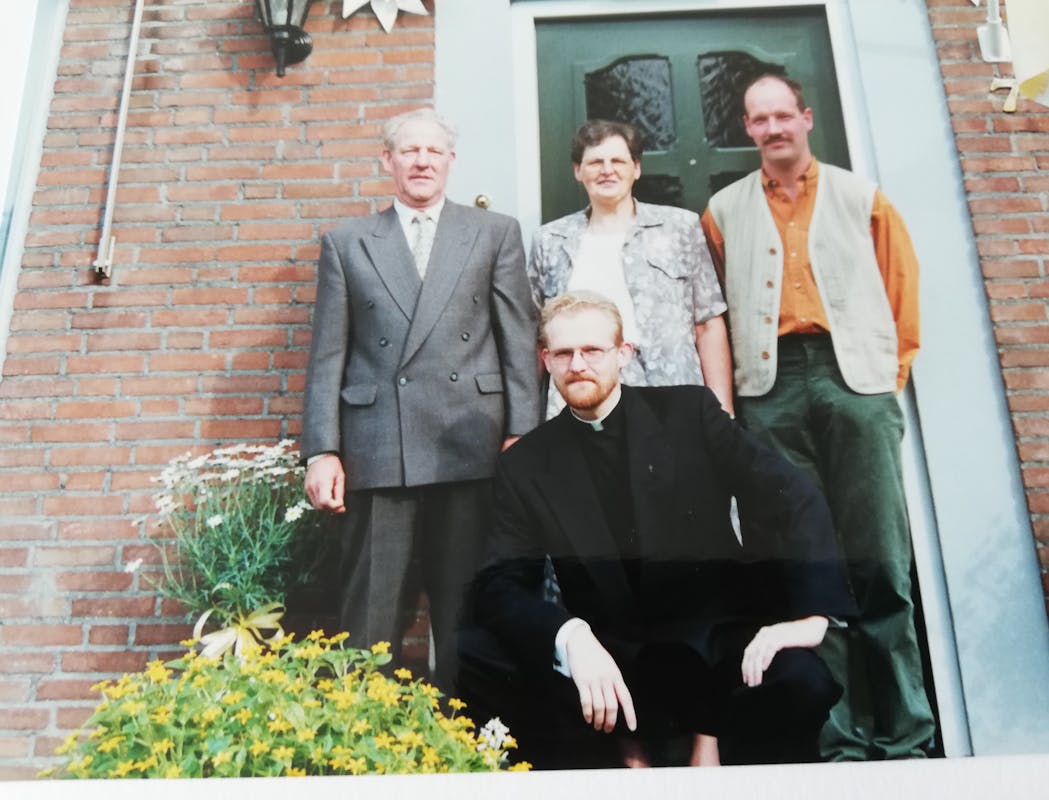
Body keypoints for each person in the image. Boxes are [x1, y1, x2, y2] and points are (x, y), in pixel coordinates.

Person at [469, 291, 856, 768]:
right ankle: (619, 761)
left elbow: (790, 496)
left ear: (623, 354)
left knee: (802, 681)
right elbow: (500, 582)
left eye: (592, 350)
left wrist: (809, 617)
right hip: (614, 660)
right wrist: (570, 635)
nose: (578, 365)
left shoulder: (688, 413)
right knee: (477, 656)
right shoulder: (527, 463)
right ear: (546, 361)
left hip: (714, 646)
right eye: (564, 353)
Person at [701, 73, 933, 761]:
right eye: (759, 119)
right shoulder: (723, 211)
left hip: (853, 381)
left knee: (878, 556)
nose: (773, 128)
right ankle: (839, 741)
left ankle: (906, 735)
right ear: (747, 129)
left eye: (783, 115)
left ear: (805, 118)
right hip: (770, 390)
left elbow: (902, 294)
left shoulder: (863, 198)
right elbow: (716, 310)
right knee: (804, 566)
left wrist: (884, 381)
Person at [300, 107, 540, 692]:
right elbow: (328, 354)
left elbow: (518, 339)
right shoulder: (347, 243)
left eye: (434, 151)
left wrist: (522, 434)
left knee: (465, 607)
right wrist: (322, 451)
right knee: (370, 610)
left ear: (451, 161)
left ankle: (465, 730)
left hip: (471, 439)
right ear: (388, 161)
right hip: (379, 444)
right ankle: (363, 730)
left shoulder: (494, 232)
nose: (422, 162)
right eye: (409, 151)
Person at [528, 120, 733, 417]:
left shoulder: (679, 228)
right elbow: (535, 337)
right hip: (580, 398)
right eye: (595, 162)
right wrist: (523, 421)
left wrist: (722, 410)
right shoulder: (550, 241)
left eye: (618, 161)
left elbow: (708, 324)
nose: (607, 170)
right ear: (578, 171)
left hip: (670, 393)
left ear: (636, 168)